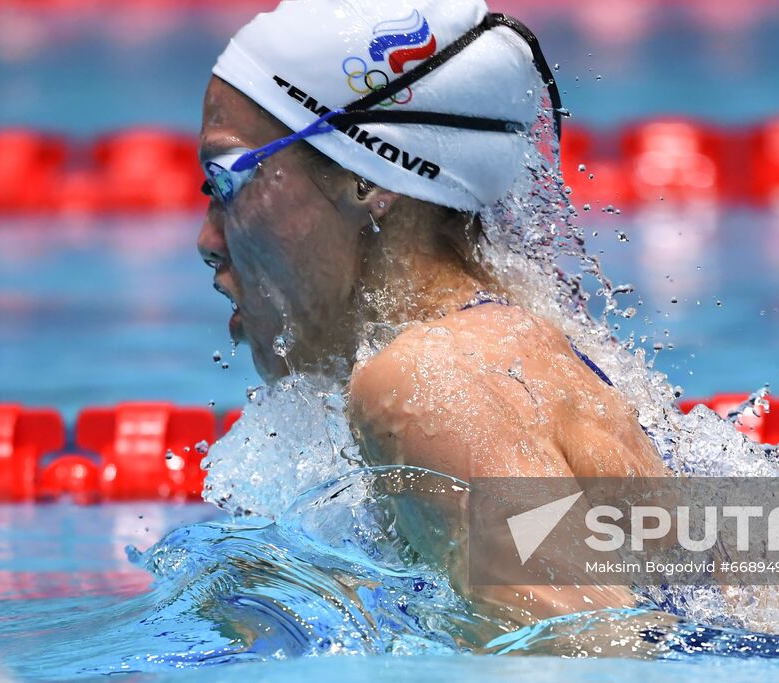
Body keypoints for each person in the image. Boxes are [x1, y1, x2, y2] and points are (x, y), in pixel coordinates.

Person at [196, 0, 670, 623]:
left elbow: (600, 655)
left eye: (225, 179)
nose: (208, 239)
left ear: (367, 178)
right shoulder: (509, 345)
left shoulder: (428, 381)